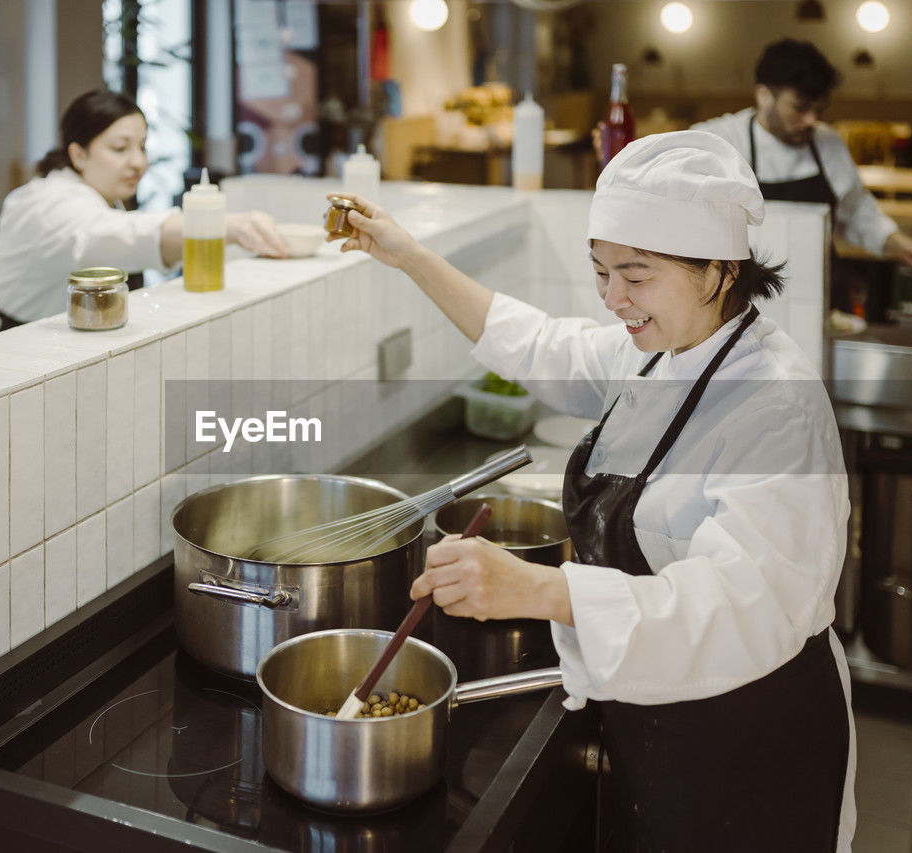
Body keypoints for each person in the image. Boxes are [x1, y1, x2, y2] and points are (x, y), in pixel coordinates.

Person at [331, 130, 855, 851]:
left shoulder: (777, 402)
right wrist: (410, 256)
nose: (613, 298)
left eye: (635, 276)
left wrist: (544, 590)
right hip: (657, 718)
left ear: (719, 270)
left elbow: (740, 605)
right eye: (602, 271)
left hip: (750, 730)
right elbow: (540, 344)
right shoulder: (658, 349)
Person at [0, 90, 291, 337]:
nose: (139, 162)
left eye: (142, 146)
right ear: (79, 154)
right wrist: (222, 224)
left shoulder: (99, 196)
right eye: (120, 148)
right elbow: (115, 235)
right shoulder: (45, 204)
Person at [692, 38, 912, 283]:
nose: (811, 120)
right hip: (748, 297)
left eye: (819, 109)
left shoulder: (828, 142)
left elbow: (856, 210)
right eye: (800, 108)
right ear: (764, 95)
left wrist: (898, 242)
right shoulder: (719, 141)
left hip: (822, 287)